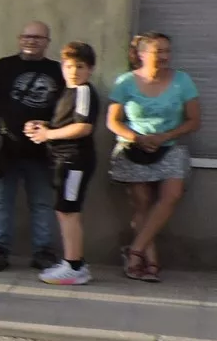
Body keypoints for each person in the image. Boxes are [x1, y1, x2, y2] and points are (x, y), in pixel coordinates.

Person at [107, 32, 201, 282]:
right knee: (142, 204)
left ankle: (135, 251)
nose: (163, 56)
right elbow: (113, 121)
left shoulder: (183, 81)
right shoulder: (125, 82)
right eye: (157, 51)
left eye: (167, 51)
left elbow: (194, 120)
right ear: (141, 54)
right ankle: (151, 262)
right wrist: (137, 138)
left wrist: (165, 136)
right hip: (134, 148)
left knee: (172, 195)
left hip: (169, 146)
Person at [0, 21, 62, 272]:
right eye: (27, 36)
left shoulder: (58, 72)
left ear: (47, 42)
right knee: (0, 200)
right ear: (19, 39)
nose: (31, 41)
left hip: (42, 149)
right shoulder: (2, 67)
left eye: (38, 37)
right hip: (3, 147)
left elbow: (68, 108)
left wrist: (52, 129)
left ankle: (43, 251)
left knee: (42, 202)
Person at [27, 42, 99, 286]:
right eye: (69, 66)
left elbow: (82, 127)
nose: (74, 71)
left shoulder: (84, 92)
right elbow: (64, 123)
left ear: (90, 69)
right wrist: (42, 127)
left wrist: (49, 135)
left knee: (69, 211)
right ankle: (72, 260)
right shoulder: (67, 92)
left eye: (80, 66)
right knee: (63, 210)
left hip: (74, 160)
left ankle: (75, 267)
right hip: (61, 160)